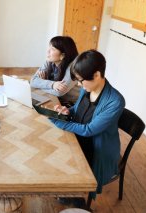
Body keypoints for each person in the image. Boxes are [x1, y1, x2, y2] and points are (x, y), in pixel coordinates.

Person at [51, 50, 125, 202]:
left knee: (63, 157)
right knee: (53, 151)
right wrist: (67, 111)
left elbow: (89, 130)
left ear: (97, 75)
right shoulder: (87, 88)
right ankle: (66, 188)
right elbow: (77, 109)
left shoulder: (115, 101)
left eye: (80, 80)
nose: (79, 84)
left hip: (97, 148)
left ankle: (77, 196)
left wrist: (60, 122)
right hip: (79, 137)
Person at [30, 36, 79, 107]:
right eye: (49, 47)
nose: (48, 51)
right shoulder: (49, 62)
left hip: (71, 103)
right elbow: (33, 81)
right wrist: (52, 84)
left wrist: (41, 84)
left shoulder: (73, 67)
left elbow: (59, 92)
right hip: (55, 97)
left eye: (52, 49)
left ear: (62, 55)